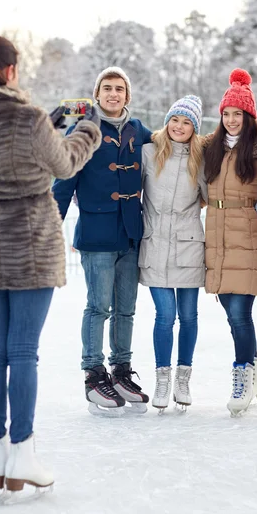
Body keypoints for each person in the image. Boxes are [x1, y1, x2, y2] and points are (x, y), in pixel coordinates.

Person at [0, 35, 102, 498]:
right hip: (30, 244)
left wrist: (46, 127)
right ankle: (24, 453)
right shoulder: (27, 118)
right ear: (11, 71)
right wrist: (85, 129)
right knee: (23, 352)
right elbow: (66, 163)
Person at [52, 66, 152, 415]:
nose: (113, 94)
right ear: (97, 94)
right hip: (96, 234)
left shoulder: (139, 131)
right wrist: (51, 227)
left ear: (128, 95)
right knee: (99, 307)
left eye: (119, 89)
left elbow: (174, 146)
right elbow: (64, 181)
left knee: (126, 308)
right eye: (107, 88)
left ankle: (121, 371)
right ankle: (94, 374)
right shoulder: (85, 130)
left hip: (130, 232)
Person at [203, 69, 257, 417]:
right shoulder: (211, 149)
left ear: (248, 117)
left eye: (238, 115)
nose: (231, 120)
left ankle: (242, 373)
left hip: (248, 234)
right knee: (230, 312)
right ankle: (255, 367)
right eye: (227, 114)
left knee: (239, 313)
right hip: (218, 238)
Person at [139, 95, 207, 412]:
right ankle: (162, 378)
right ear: (167, 122)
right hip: (154, 245)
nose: (179, 127)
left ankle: (183, 376)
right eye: (176, 120)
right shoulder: (149, 153)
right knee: (165, 316)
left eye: (187, 122)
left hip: (188, 247)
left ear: (194, 128)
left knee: (189, 316)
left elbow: (208, 197)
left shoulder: (201, 159)